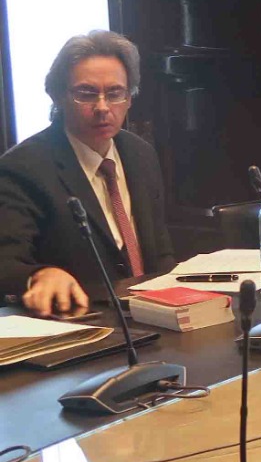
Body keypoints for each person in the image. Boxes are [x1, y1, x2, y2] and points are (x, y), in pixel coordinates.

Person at [0, 31, 175, 316]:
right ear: (58, 96)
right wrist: (40, 274)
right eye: (86, 94)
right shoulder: (24, 167)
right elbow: (6, 261)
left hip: (153, 319)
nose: (103, 107)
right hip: (79, 326)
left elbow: (160, 252)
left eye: (115, 93)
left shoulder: (140, 154)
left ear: (130, 98)